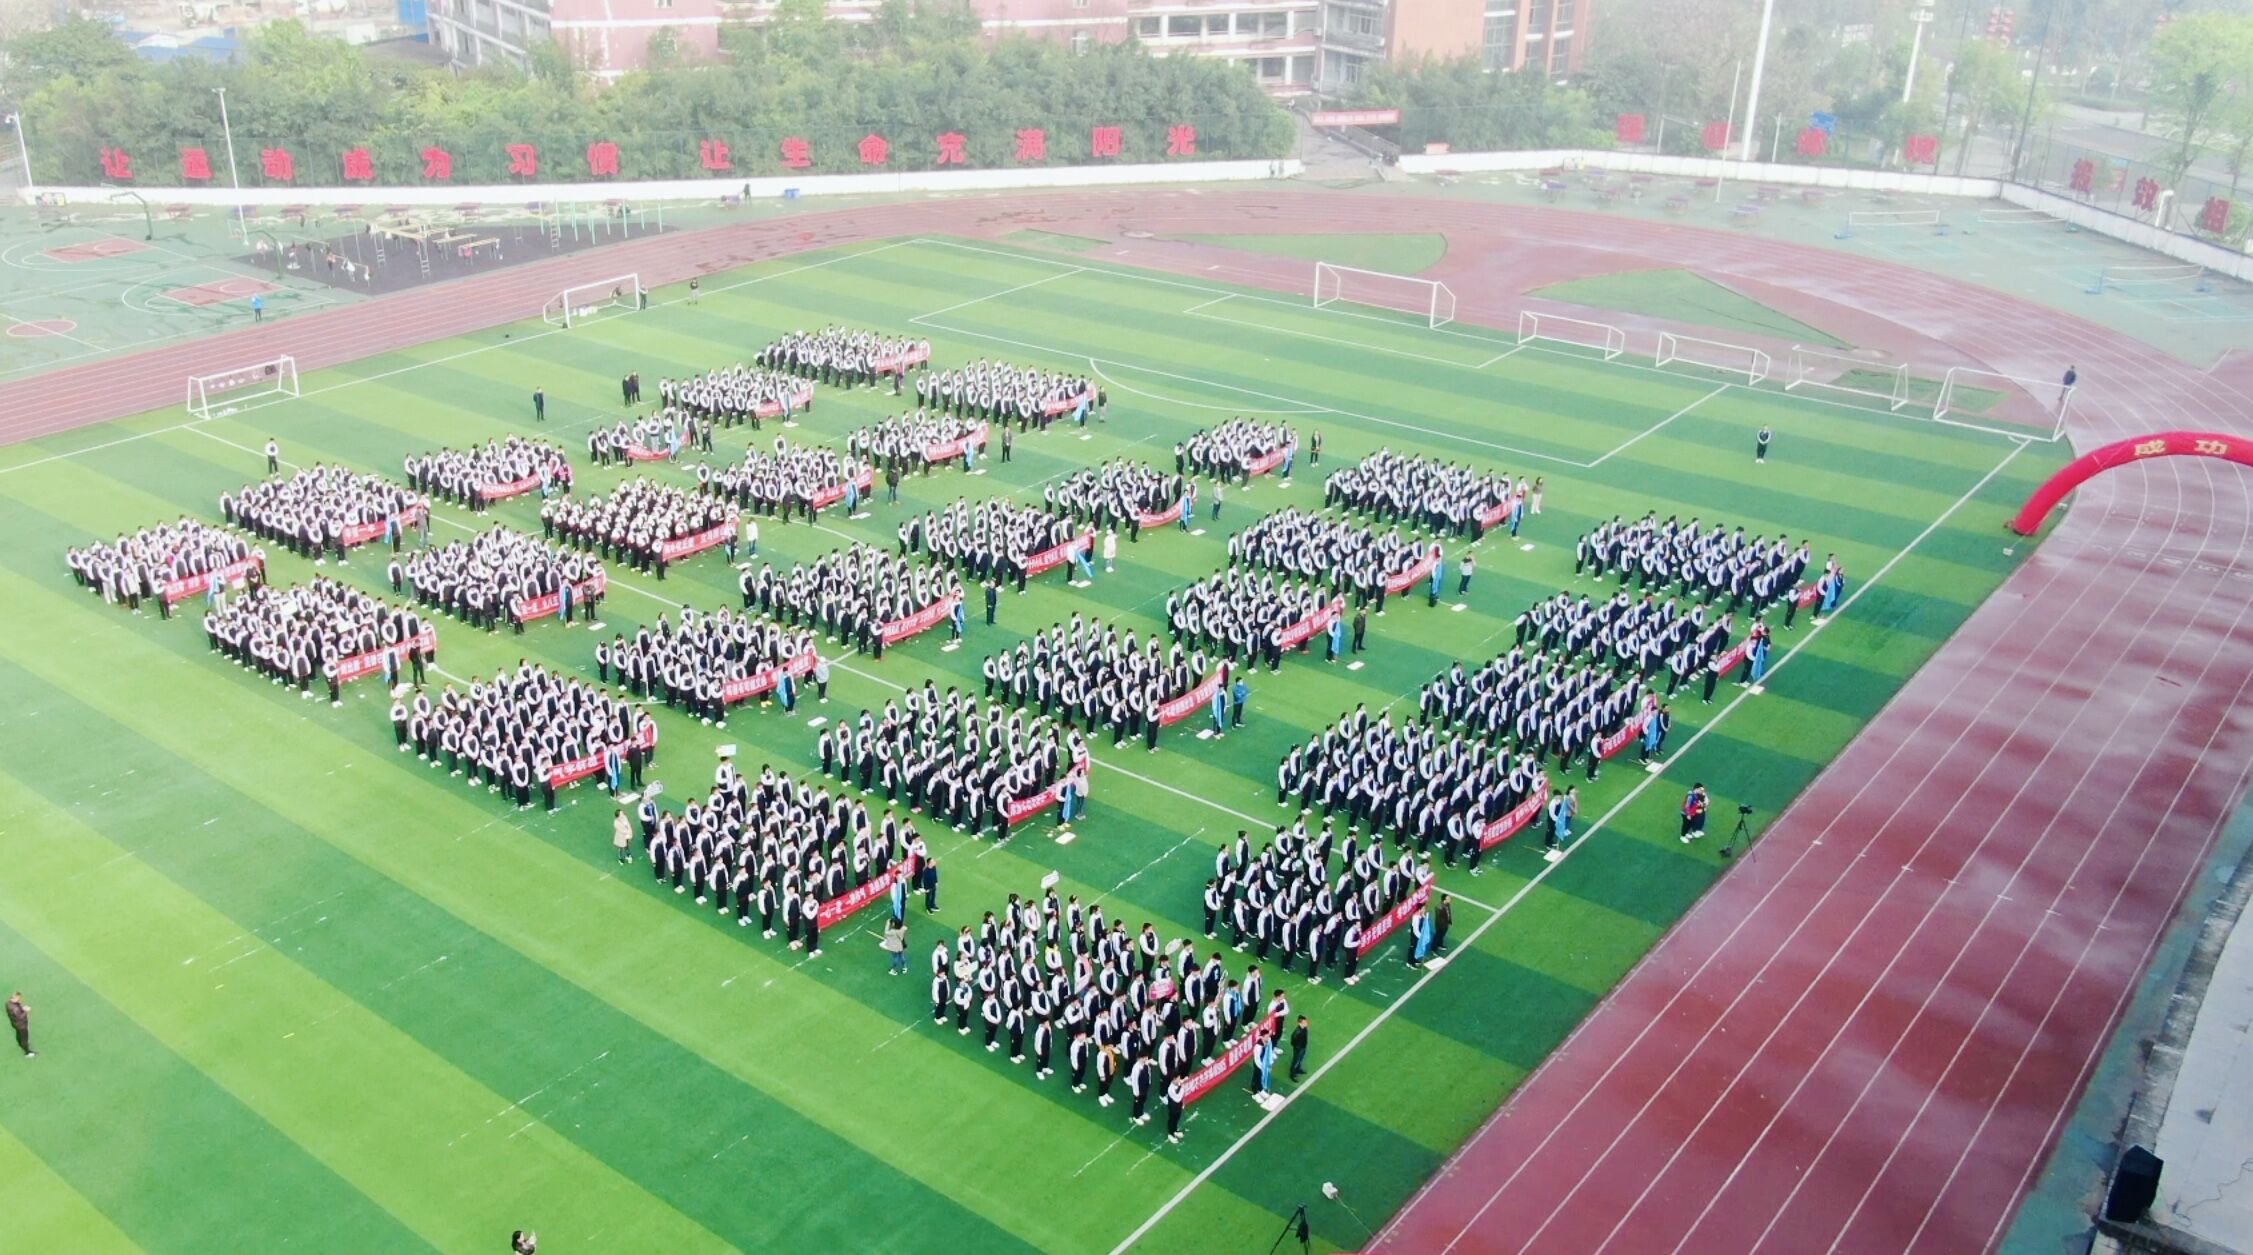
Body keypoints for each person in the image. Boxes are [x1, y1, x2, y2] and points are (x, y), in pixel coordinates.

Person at [6, 991, 28, 1058]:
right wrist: (26, 1011)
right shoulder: (14, 1008)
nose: (19, 1000)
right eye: (18, 998)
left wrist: (21, 1007)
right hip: (21, 1025)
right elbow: (20, 1017)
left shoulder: (8, 1003)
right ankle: (27, 1052)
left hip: (15, 1024)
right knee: (24, 1037)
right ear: (15, 998)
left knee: (19, 1034)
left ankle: (20, 1044)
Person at [1288, 1014, 1310, 1081]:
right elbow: (1293, 1042)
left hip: (1303, 1047)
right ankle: (1292, 1074)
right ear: (1300, 1023)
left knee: (1300, 1059)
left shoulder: (1304, 1029)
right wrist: (1297, 1048)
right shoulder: (1297, 1032)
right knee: (1295, 1061)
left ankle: (1298, 1069)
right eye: (1305, 1022)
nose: (1306, 1023)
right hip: (1298, 1049)